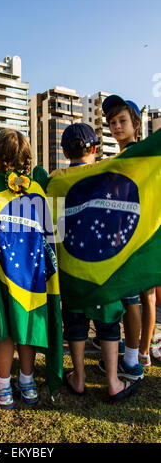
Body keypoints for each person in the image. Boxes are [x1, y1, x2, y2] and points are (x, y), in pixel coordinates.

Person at [0, 129, 63, 409]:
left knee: (5, 330)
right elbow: (52, 234)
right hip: (33, 275)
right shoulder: (36, 189)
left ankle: (3, 388)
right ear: (26, 157)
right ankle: (28, 383)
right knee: (27, 327)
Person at [56, 123, 140, 400]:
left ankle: (78, 378)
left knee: (75, 322)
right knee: (108, 322)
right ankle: (114, 382)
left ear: (64, 151)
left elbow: (53, 225)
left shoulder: (56, 180)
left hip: (70, 266)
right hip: (105, 265)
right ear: (94, 149)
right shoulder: (109, 176)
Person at [102, 95, 156, 371]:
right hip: (122, 236)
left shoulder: (143, 155)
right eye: (112, 123)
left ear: (135, 123)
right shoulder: (120, 157)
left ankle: (139, 354)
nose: (117, 127)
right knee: (136, 295)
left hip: (141, 235)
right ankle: (137, 350)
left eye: (122, 121)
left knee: (142, 296)